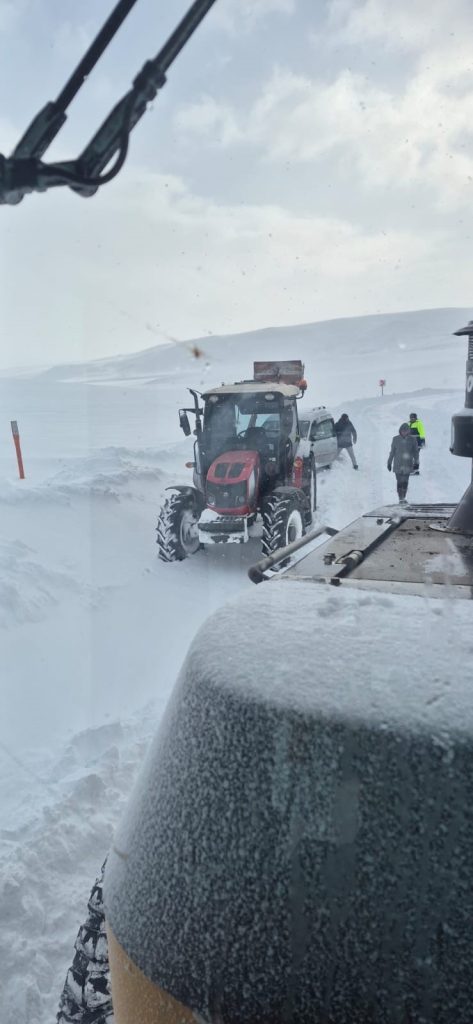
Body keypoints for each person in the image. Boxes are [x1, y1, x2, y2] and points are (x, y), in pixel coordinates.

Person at [387, 423, 419, 503]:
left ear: (408, 431)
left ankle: (403, 497)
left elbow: (415, 452)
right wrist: (389, 462)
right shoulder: (395, 439)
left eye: (406, 431)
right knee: (399, 481)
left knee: (405, 481)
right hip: (398, 463)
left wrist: (416, 462)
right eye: (402, 431)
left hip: (407, 464)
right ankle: (400, 498)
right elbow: (392, 452)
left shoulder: (412, 439)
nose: (404, 432)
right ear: (400, 431)